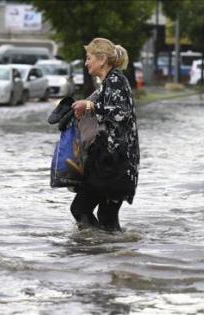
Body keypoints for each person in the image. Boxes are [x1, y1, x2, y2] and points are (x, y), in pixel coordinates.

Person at [70, 38, 140, 232]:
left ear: (101, 59)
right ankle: (113, 254)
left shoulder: (115, 80)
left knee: (80, 208)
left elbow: (120, 112)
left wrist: (89, 105)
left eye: (88, 58)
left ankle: (96, 251)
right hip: (115, 165)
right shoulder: (109, 82)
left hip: (113, 166)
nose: (86, 62)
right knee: (107, 219)